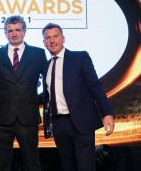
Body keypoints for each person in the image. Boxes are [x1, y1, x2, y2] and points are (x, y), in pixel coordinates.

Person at [42, 23, 115, 171]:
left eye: (55, 36)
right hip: (59, 124)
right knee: (67, 166)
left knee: (85, 167)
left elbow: (95, 86)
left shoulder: (80, 57)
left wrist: (107, 113)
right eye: (47, 38)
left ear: (63, 38)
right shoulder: (46, 65)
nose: (52, 40)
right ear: (44, 42)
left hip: (81, 122)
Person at [0, 15, 47, 171]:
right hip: (1, 118)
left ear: (25, 31)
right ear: (5, 33)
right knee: (2, 164)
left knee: (32, 163)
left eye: (18, 30)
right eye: (10, 30)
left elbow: (50, 81)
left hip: (28, 117)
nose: (14, 34)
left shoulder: (38, 54)